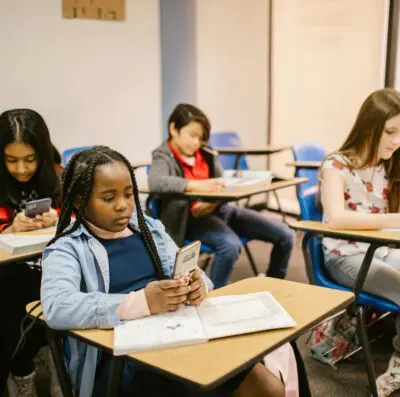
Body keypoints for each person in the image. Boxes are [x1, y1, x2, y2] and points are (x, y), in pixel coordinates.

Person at [41, 146, 287, 397]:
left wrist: (197, 283)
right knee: (208, 379)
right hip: (121, 357)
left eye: (128, 194)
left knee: (268, 386)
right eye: (108, 198)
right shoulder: (67, 247)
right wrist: (141, 302)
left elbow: (182, 267)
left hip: (176, 332)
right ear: (80, 201)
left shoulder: (147, 227)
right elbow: (57, 306)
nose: (123, 206)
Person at [148, 103, 295, 288]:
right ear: (173, 128)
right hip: (191, 219)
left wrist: (214, 200)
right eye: (192, 135)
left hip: (221, 210)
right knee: (230, 246)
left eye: (200, 138)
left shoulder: (206, 154)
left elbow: (223, 184)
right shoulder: (163, 155)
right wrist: (196, 186)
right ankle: (214, 293)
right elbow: (156, 182)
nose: (196, 143)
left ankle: (275, 282)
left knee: (286, 235)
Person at [319, 88, 400, 396]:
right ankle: (398, 365)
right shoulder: (336, 165)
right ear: (369, 126)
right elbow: (337, 219)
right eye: (390, 131)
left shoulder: (388, 163)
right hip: (345, 254)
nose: (396, 140)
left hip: (383, 248)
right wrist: (396, 219)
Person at [0, 109, 62, 397]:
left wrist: (59, 218)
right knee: (13, 306)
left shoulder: (59, 177)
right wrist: (9, 229)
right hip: (13, 270)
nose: (21, 169)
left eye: (30, 159)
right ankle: (23, 369)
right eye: (11, 160)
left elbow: (84, 217)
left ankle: (49, 366)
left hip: (54, 265)